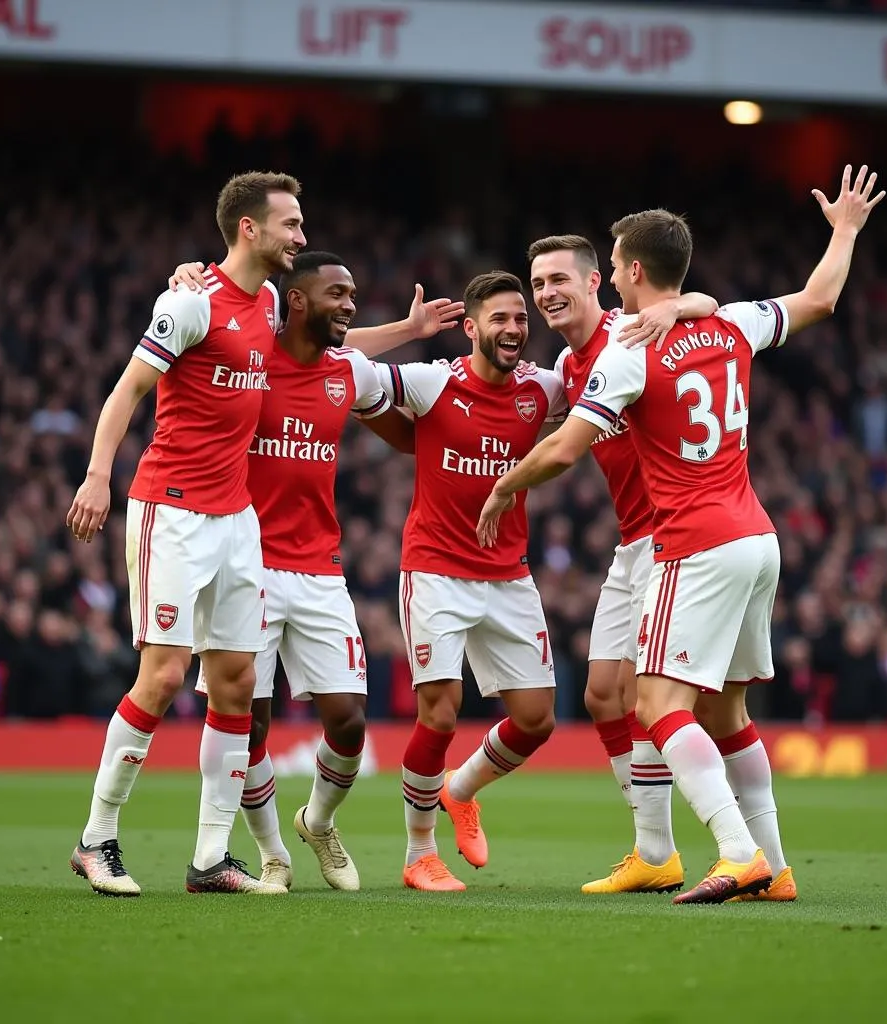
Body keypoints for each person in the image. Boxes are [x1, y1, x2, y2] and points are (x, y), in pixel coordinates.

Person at [479, 165, 885, 903]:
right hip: (758, 538)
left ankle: (736, 853)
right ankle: (777, 867)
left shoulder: (627, 351)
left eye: (613, 267)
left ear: (631, 272)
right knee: (727, 712)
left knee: (659, 707)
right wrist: (846, 230)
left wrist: (507, 484)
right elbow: (822, 297)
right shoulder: (727, 321)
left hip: (692, 543)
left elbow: (568, 447)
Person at [172, 252, 463, 890]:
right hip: (244, 561)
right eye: (338, 292)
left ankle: (318, 821)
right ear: (295, 302)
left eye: (354, 293)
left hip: (321, 571)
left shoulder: (348, 373)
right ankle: (271, 850)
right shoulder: (248, 361)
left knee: (349, 720)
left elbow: (406, 417)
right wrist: (186, 276)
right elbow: (201, 329)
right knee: (248, 721)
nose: (351, 303)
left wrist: (418, 346)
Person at [66, 171, 306, 896]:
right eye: (290, 224)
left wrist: (410, 332)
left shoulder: (266, 301)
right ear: (248, 229)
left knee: (235, 682)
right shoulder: (188, 303)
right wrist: (97, 476)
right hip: (171, 509)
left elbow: (332, 341)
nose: (302, 235)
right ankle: (95, 839)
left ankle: (210, 859)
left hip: (237, 520)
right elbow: (127, 390)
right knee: (165, 673)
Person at [359, 271, 567, 891]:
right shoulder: (432, 382)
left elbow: (598, 383)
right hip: (436, 571)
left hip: (509, 575)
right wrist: (408, 331)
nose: (513, 330)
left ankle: (462, 789)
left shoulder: (543, 390)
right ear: (472, 327)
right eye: (499, 319)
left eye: (521, 319)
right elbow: (345, 370)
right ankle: (419, 852)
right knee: (441, 714)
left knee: (536, 720)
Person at [527, 234, 716, 894]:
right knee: (601, 694)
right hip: (630, 542)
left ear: (594, 285)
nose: (548, 292)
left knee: (646, 697)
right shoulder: (565, 362)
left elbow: (705, 301)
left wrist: (681, 302)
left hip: (674, 536)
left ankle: (664, 848)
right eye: (538, 282)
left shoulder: (629, 332)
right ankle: (651, 846)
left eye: (560, 279)